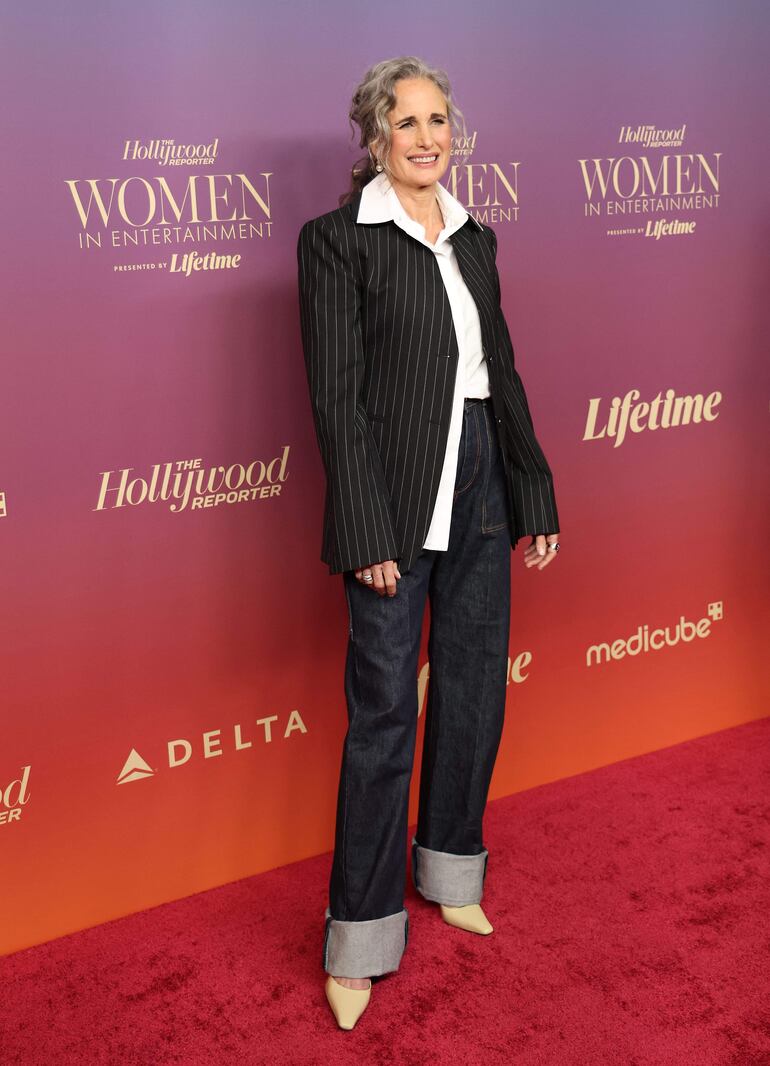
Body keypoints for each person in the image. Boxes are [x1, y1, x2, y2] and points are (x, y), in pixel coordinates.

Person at [297, 55, 561, 1030]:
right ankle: (359, 932)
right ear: (373, 138)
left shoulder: (474, 237)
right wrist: (364, 528)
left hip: (484, 484)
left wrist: (531, 491)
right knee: (379, 718)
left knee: (471, 685)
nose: (423, 138)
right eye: (403, 122)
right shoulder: (335, 243)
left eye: (436, 120)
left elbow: (498, 372)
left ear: (454, 132)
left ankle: (450, 864)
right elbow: (336, 402)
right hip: (394, 503)